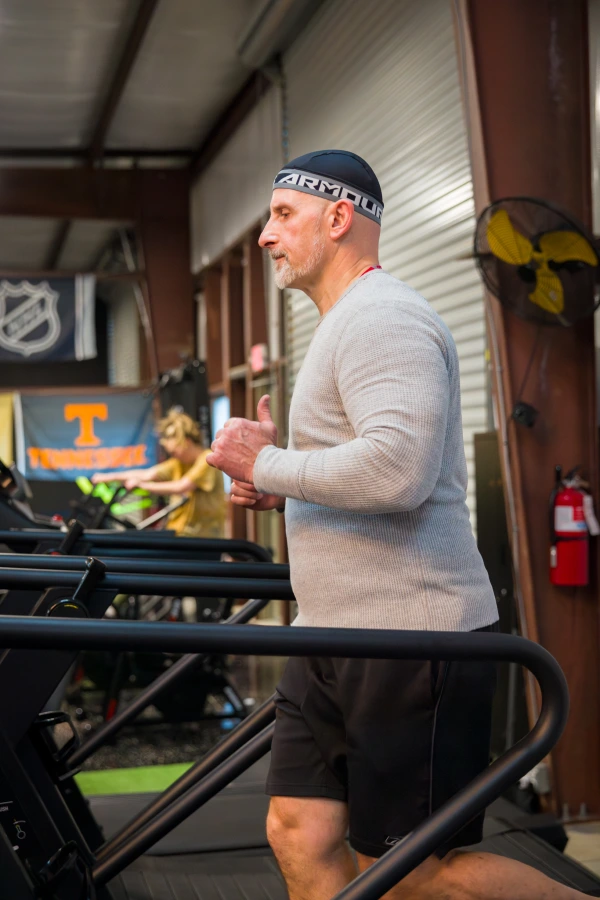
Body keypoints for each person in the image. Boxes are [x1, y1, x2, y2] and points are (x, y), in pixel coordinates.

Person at [206, 149, 584, 900]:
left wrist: (271, 465)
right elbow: (365, 469)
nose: (264, 237)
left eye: (283, 215)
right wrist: (288, 491)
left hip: (411, 642)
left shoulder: (384, 318)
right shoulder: (346, 322)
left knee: (414, 876)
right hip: (332, 635)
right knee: (298, 831)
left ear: (339, 218)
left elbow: (397, 472)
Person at [92, 408, 225, 538]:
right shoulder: (179, 462)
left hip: (203, 537)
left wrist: (142, 485)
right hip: (180, 532)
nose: (174, 456)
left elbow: (181, 486)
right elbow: (147, 474)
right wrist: (106, 477)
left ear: (187, 442)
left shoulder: (207, 459)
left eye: (174, 452)